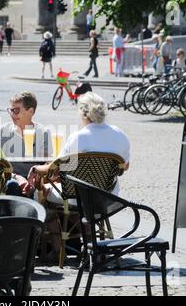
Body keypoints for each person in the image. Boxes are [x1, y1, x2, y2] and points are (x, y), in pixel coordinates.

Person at [26, 92, 130, 256]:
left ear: (82, 113)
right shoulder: (119, 134)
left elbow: (56, 167)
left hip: (78, 197)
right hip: (107, 194)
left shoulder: (77, 137)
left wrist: (36, 169)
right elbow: (125, 167)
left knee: (41, 195)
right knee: (80, 193)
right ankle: (90, 242)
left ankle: (58, 249)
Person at [0, 91, 52, 158]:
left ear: (31, 111)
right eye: (11, 110)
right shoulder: (2, 131)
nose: (12, 114)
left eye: (16, 110)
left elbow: (47, 163)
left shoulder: (44, 132)